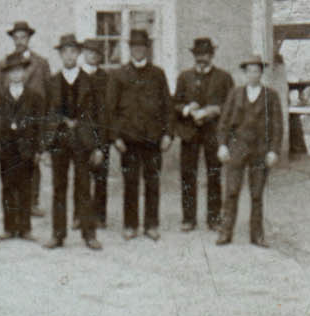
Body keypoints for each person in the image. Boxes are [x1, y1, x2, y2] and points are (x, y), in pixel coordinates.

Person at [107, 28, 172, 240]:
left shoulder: (158, 74)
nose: (138, 50)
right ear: (129, 49)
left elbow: (167, 107)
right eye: (134, 47)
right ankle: (130, 225)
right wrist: (115, 138)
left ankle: (151, 225)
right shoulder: (119, 75)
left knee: (152, 182)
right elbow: (111, 108)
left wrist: (168, 135)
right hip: (129, 140)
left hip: (153, 139)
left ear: (147, 49)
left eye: (141, 47)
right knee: (130, 182)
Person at [217, 54, 285, 247]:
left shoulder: (270, 96)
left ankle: (257, 235)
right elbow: (224, 122)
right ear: (244, 74)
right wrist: (222, 145)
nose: (253, 75)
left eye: (256, 71)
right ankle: (225, 233)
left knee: (256, 195)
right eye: (249, 71)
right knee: (231, 191)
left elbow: (277, 125)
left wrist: (274, 151)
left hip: (260, 150)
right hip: (237, 148)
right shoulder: (235, 94)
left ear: (261, 74)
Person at [44, 35, 104, 250]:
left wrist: (98, 146)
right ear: (60, 55)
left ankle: (89, 235)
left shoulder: (90, 82)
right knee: (59, 188)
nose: (69, 56)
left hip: (83, 141)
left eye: (72, 51)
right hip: (59, 141)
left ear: (78, 54)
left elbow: (97, 116)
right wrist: (45, 147)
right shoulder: (52, 81)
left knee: (84, 187)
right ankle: (58, 235)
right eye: (65, 52)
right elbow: (47, 115)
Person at [172, 37, 230, 232]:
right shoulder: (184, 77)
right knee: (188, 174)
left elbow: (230, 106)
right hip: (189, 132)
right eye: (198, 55)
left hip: (213, 132)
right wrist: (188, 109)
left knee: (214, 174)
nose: (201, 58)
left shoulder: (224, 77)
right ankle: (189, 218)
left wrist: (213, 110)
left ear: (212, 55)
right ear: (193, 56)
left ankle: (213, 218)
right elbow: (175, 105)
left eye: (205, 54)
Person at [0, 21, 51, 216]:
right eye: (16, 37)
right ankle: (14, 208)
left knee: (32, 163)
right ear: (12, 39)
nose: (20, 41)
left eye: (23, 37)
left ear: (29, 39)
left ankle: (32, 202)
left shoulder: (42, 63)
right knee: (11, 167)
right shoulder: (4, 64)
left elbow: (49, 94)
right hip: (11, 121)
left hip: (33, 119)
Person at [0, 56, 40, 241]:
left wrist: (38, 149)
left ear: (24, 73)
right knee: (7, 186)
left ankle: (25, 228)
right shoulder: (0, 96)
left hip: (26, 147)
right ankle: (9, 227)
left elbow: (38, 125)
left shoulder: (34, 97)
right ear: (7, 74)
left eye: (19, 70)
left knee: (25, 187)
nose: (16, 74)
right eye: (12, 71)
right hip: (7, 148)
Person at [82, 42, 110, 233]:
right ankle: (80, 216)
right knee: (81, 177)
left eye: (96, 53)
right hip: (81, 134)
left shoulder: (107, 78)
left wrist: (103, 139)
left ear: (100, 56)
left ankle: (100, 216)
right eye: (89, 52)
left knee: (101, 176)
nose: (92, 55)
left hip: (101, 131)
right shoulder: (76, 76)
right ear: (83, 54)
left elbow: (108, 110)